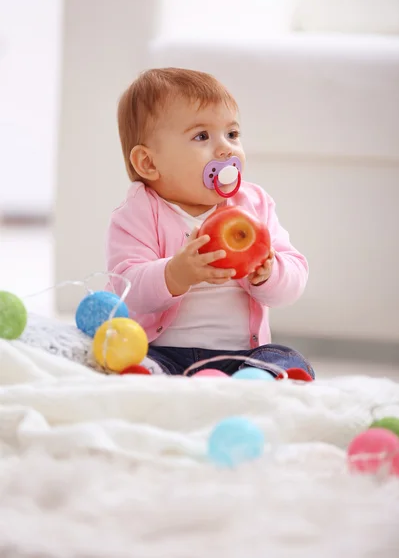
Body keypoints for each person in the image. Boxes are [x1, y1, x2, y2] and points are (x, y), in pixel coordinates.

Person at [105, 68, 314, 378]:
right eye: (201, 136)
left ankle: (254, 378)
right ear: (149, 163)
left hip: (241, 355)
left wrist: (268, 273)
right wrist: (175, 273)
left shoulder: (253, 205)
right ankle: (158, 379)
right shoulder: (138, 212)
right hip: (166, 353)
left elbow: (295, 277)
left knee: (286, 357)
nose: (225, 148)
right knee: (131, 359)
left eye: (232, 134)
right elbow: (126, 287)